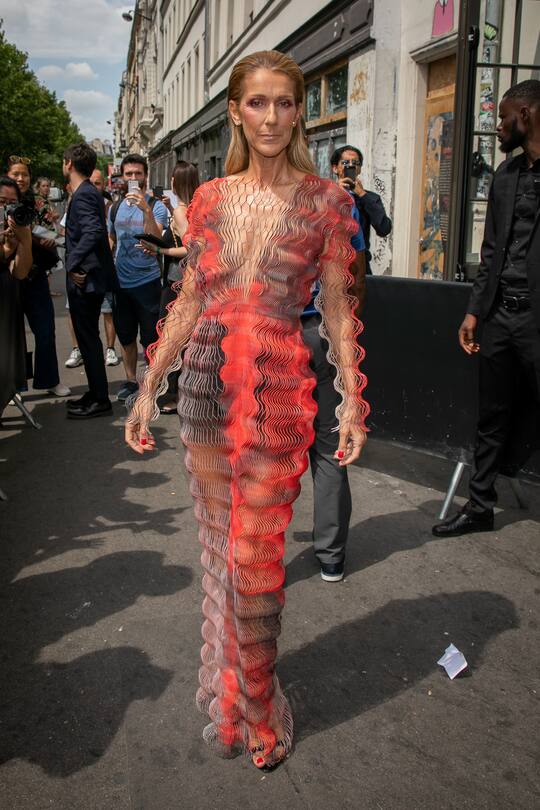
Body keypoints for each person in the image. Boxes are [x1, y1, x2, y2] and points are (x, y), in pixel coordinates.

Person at [125, 50, 369, 770]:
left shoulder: (328, 201)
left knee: (258, 565)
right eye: (257, 103)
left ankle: (260, 707)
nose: (271, 117)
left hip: (278, 394)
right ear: (235, 110)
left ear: (298, 112)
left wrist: (352, 395)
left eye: (285, 103)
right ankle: (234, 691)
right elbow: (191, 300)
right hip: (203, 390)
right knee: (226, 566)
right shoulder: (209, 200)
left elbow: (338, 306)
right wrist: (150, 386)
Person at [433, 79, 540, 537]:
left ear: (528, 115)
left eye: (504, 116)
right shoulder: (506, 176)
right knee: (491, 416)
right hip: (499, 316)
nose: (498, 127)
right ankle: (479, 507)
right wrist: (475, 311)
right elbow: (491, 248)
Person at [301, 189, 366, 582]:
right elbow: (355, 273)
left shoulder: (255, 196)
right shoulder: (335, 200)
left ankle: (258, 552)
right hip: (323, 330)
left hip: (273, 335)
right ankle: (331, 556)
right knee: (329, 447)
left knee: (264, 446)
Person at [63, 142, 118, 419]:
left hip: (87, 280)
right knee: (87, 340)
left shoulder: (84, 193)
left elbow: (94, 230)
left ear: (69, 164)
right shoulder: (88, 192)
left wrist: (72, 263)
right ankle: (95, 393)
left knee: (89, 339)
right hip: (90, 277)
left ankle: (99, 399)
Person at [7, 157, 70, 397]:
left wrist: (49, 237)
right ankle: (16, 386)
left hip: (36, 275)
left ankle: (49, 380)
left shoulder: (39, 203)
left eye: (24, 174)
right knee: (14, 335)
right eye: (16, 174)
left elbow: (54, 232)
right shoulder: (3, 201)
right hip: (10, 276)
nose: (20, 178)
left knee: (45, 330)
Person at [108, 154, 168, 402]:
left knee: (151, 337)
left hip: (148, 282)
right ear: (122, 177)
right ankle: (131, 380)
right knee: (125, 335)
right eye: (129, 174)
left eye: (138, 174)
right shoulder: (114, 207)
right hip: (121, 283)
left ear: (146, 176)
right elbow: (112, 238)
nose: (133, 178)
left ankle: (152, 383)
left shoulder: (157, 206)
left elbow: (157, 238)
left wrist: (145, 209)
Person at [137, 160, 196, 413]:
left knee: (172, 339)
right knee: (178, 339)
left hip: (178, 283)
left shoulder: (183, 211)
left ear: (175, 181)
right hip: (179, 281)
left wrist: (161, 249)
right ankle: (178, 391)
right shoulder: (187, 208)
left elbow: (193, 247)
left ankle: (176, 393)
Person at [331, 145, 392, 275]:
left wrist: (362, 194)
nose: (351, 166)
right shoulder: (325, 195)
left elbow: (384, 228)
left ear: (359, 169)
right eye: (345, 162)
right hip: (330, 265)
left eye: (356, 163)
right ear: (335, 168)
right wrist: (336, 193)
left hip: (360, 267)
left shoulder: (369, 198)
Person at [0, 176, 33, 410]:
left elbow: (21, 272)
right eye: (2, 201)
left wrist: (23, 242)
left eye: (12, 203)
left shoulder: (18, 227)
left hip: (5, 302)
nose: (7, 208)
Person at [90, 168, 120, 367]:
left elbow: (112, 236)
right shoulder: (78, 204)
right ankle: (82, 351)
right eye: (91, 183)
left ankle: (110, 349)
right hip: (86, 270)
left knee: (108, 311)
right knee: (82, 315)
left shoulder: (111, 207)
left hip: (106, 268)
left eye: (98, 183)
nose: (95, 187)